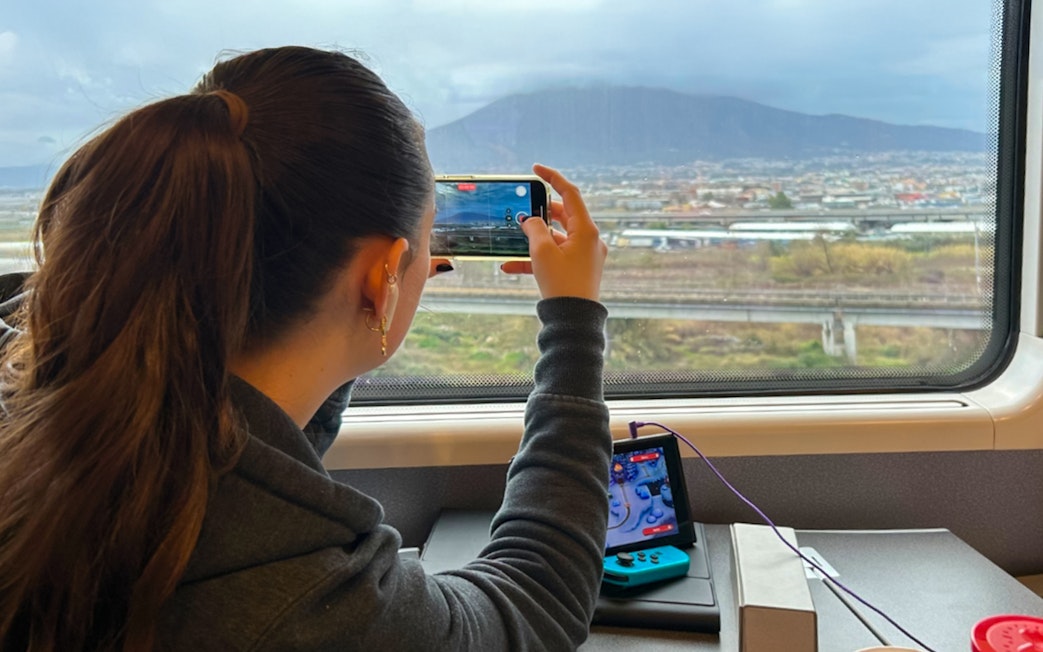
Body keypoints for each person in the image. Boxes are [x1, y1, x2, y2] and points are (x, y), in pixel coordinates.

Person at [0, 45, 611, 651]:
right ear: (383, 276)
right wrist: (575, 319)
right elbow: (532, 602)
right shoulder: (311, 605)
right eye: (421, 249)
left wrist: (370, 297)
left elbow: (265, 442)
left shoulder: (58, 399)